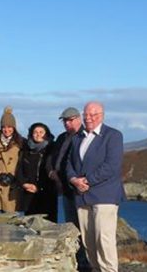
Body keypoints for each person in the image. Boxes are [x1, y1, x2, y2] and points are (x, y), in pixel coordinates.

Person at [67, 102, 125, 272]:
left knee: (104, 240)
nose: (89, 118)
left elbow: (112, 166)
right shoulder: (78, 137)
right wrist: (73, 180)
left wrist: (86, 180)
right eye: (86, 115)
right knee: (89, 242)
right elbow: (69, 163)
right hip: (82, 196)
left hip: (104, 196)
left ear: (102, 115)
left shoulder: (113, 135)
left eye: (93, 115)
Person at [49, 106, 90, 269]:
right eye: (65, 121)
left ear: (79, 119)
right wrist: (51, 171)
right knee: (71, 227)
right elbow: (52, 158)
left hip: (80, 190)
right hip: (65, 190)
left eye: (71, 120)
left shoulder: (84, 136)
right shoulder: (61, 138)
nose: (67, 123)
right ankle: (77, 261)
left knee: (84, 228)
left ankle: (86, 262)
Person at [17, 122, 58, 221]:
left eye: (41, 132)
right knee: (30, 227)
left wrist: (39, 187)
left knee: (48, 227)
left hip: (47, 194)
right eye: (35, 132)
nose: (38, 134)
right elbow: (19, 170)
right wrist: (24, 184)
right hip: (29, 193)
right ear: (31, 134)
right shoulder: (26, 150)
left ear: (46, 134)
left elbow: (53, 172)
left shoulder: (52, 149)